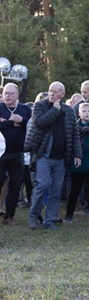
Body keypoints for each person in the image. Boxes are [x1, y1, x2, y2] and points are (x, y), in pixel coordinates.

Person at [24, 81, 82, 230]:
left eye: (56, 92)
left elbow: (74, 133)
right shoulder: (40, 106)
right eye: (50, 91)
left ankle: (49, 220)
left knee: (56, 190)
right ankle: (34, 215)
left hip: (61, 157)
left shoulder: (68, 110)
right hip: (44, 155)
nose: (52, 94)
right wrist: (55, 110)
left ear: (63, 94)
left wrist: (78, 154)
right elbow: (39, 122)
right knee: (42, 184)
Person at [0, 83, 32, 225]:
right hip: (1, 154)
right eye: (5, 93)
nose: (7, 96)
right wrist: (12, 123)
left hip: (18, 153)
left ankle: (9, 216)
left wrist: (21, 120)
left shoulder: (25, 109)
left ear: (17, 94)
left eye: (10, 93)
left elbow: (31, 126)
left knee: (15, 186)